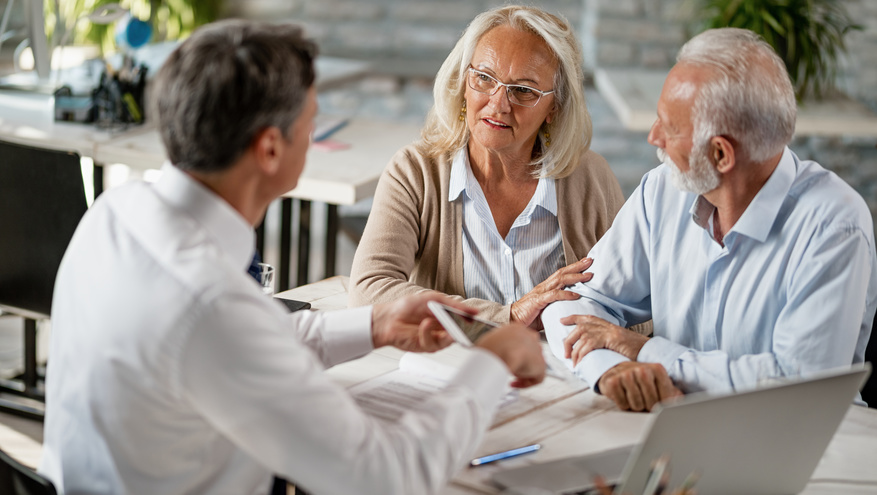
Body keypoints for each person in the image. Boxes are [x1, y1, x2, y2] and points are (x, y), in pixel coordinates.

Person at [38, 20, 547, 495]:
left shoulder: (113, 214)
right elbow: (387, 476)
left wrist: (374, 324)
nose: (315, 132)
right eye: (311, 122)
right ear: (270, 150)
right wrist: (490, 364)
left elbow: (244, 343)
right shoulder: (211, 301)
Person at [542, 27, 877, 412]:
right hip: (675, 428)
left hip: (805, 448)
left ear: (720, 155)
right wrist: (611, 369)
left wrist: (650, 352)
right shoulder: (662, 190)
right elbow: (573, 300)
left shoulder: (834, 225)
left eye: (668, 127)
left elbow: (799, 386)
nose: (654, 137)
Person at [349, 5, 626, 328]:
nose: (498, 104)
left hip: (561, 373)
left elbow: (636, 308)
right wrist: (507, 316)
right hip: (451, 369)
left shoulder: (591, 179)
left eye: (524, 90)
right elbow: (369, 290)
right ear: (463, 83)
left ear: (555, 106)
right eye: (483, 78)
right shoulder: (415, 172)